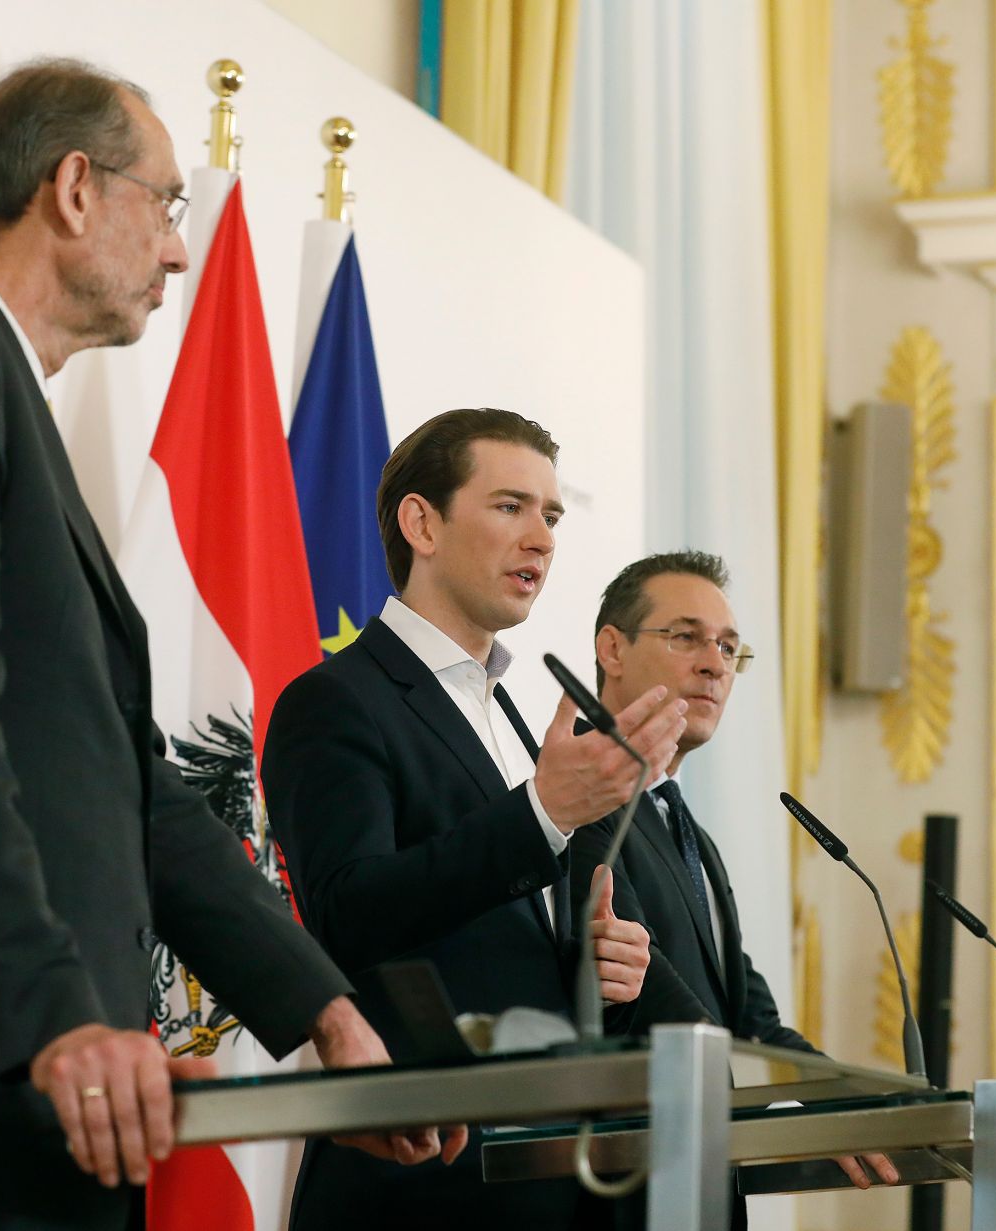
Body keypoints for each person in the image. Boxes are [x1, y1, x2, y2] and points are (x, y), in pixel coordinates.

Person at [0, 59, 451, 1231]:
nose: (175, 251)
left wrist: (324, 1017)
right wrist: (59, 1022)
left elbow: (123, 784)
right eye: (165, 204)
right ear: (72, 189)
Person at [262, 409, 699, 1229]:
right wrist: (540, 815)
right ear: (421, 522)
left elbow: (511, 940)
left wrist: (609, 962)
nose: (542, 538)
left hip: (551, 1177)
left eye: (553, 515)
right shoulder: (335, 702)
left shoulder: (516, 719)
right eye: (510, 506)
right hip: (420, 1185)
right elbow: (347, 915)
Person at [569, 551, 900, 1226]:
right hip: (619, 1191)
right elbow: (648, 993)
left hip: (699, 1185)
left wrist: (860, 1102)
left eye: (728, 647)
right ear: (612, 648)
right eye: (685, 636)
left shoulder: (686, 829)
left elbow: (748, 1016)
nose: (715, 664)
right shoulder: (572, 801)